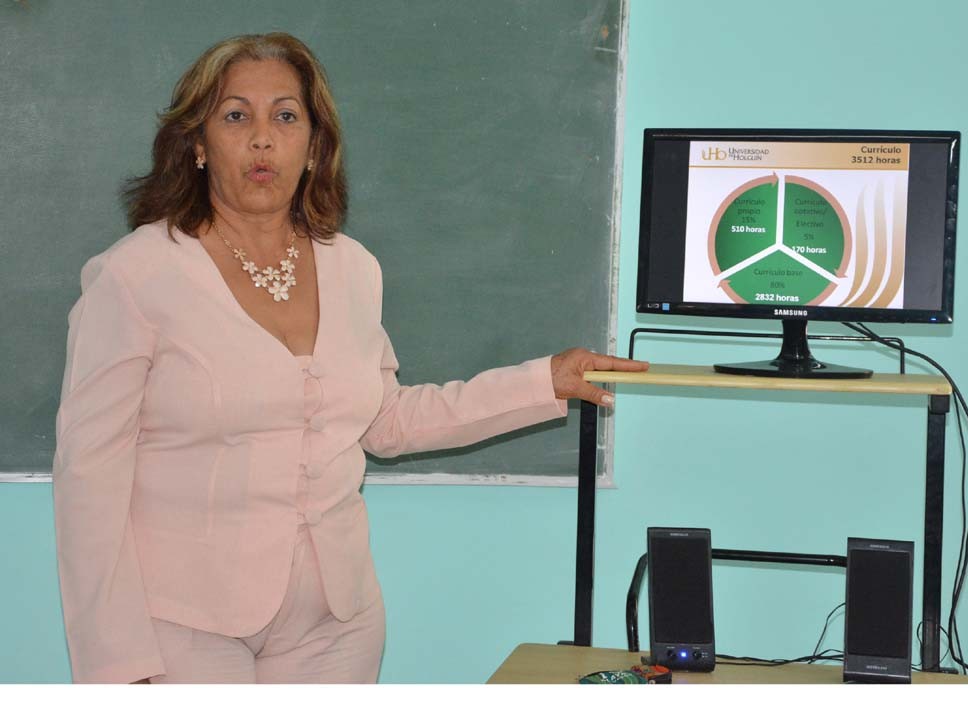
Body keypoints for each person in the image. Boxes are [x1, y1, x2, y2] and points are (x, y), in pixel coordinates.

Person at [51, 32, 648, 684]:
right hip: (182, 627)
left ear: (314, 146)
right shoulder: (136, 275)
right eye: (234, 116)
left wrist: (546, 381)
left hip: (337, 625)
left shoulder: (352, 269)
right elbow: (88, 481)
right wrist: (114, 664)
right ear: (197, 144)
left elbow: (386, 421)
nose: (261, 138)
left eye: (285, 116)